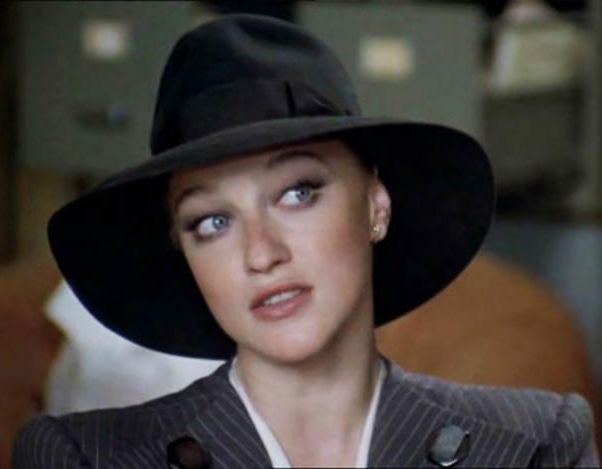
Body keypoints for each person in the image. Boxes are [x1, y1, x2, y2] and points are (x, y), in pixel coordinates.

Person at [12, 14, 598, 468]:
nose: (262, 254)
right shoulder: (85, 457)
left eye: (297, 193)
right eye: (212, 222)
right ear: (183, 255)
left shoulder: (533, 444)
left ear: (376, 204)